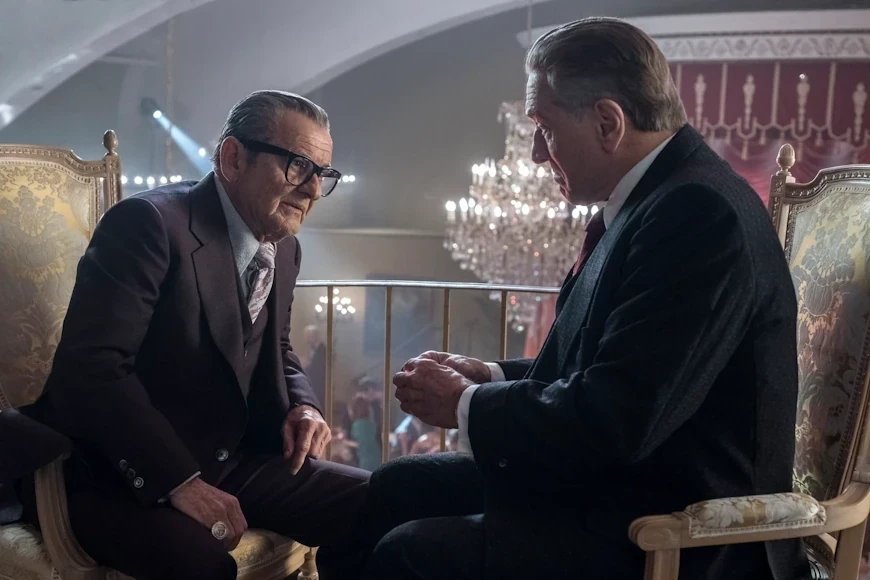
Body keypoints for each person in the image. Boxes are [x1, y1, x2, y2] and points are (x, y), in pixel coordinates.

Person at [358, 17, 810, 580]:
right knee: (396, 486)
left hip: (678, 532)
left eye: (543, 128)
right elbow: (612, 366)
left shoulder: (698, 212)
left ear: (607, 123)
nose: (534, 154)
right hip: (620, 489)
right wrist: (490, 376)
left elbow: (619, 418)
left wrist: (466, 404)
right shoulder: (660, 198)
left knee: (409, 551)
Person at [32, 90, 369, 580]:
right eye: (298, 166)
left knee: (381, 500)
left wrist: (305, 406)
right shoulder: (146, 224)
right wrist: (179, 481)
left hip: (232, 460)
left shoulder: (285, 248)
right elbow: (93, 369)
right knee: (203, 567)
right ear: (234, 158)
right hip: (115, 472)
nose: (313, 190)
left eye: (323, 173)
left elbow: (277, 348)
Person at [303, 324, 327, 405]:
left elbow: (317, 369)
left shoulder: (322, 350)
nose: (306, 340)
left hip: (319, 386)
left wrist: (305, 366)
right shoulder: (314, 349)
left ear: (313, 336)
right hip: (314, 385)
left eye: (307, 337)